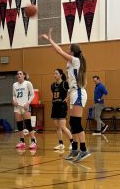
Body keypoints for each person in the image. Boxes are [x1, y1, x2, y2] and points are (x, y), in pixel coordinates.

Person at [40, 28, 90, 162]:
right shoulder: (71, 63)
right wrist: (68, 96)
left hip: (79, 92)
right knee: (73, 123)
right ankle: (75, 149)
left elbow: (59, 51)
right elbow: (70, 81)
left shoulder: (75, 60)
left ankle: (84, 150)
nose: (67, 50)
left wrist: (50, 40)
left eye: (69, 49)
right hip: (74, 93)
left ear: (73, 51)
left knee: (76, 123)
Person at [51, 68, 73, 150]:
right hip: (55, 106)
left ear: (60, 75)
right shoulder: (52, 85)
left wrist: (66, 99)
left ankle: (72, 142)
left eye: (56, 73)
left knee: (63, 126)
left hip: (62, 106)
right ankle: (61, 144)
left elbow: (71, 91)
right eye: (54, 73)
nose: (55, 75)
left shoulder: (65, 83)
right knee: (57, 127)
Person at [13, 71, 36, 149]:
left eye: (20, 74)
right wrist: (14, 100)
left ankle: (33, 141)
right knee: (19, 125)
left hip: (25, 106)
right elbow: (13, 95)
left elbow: (32, 94)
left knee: (28, 124)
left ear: (24, 76)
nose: (19, 75)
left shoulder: (27, 83)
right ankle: (22, 141)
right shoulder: (14, 85)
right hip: (17, 107)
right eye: (18, 74)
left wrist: (28, 103)